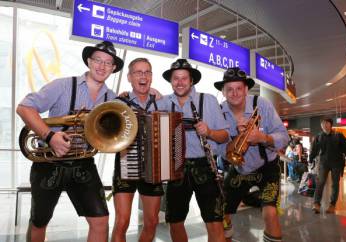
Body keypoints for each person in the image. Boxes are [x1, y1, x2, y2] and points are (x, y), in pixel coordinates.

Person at [16, 40, 124, 242]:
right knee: (40, 221)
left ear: (114, 68)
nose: (102, 66)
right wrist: (50, 136)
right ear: (89, 62)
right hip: (48, 162)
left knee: (101, 220)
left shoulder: (112, 99)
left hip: (83, 163)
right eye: (98, 60)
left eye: (108, 63)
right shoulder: (63, 85)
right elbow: (24, 107)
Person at [214, 67, 289, 242]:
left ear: (246, 89)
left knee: (270, 213)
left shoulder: (262, 104)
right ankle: (228, 233)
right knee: (220, 212)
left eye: (239, 88)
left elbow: (283, 137)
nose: (234, 93)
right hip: (240, 169)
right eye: (229, 89)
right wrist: (239, 138)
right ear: (223, 92)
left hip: (267, 167)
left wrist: (262, 137)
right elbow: (218, 149)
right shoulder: (219, 111)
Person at [158, 58, 229, 242]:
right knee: (175, 221)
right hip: (176, 168)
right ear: (171, 81)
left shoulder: (209, 100)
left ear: (191, 81)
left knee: (214, 221)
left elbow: (225, 136)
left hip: (205, 165)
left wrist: (210, 131)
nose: (180, 82)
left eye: (184, 78)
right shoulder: (162, 102)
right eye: (176, 78)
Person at [111, 57, 164, 242]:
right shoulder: (119, 103)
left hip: (153, 168)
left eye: (147, 72)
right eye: (138, 72)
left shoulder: (160, 102)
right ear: (129, 77)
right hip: (126, 165)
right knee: (122, 222)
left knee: (152, 221)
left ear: (151, 76)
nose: (143, 76)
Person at [309, 117, 346, 214]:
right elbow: (314, 149)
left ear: (330, 125)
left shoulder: (338, 135)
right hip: (323, 163)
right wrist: (310, 159)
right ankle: (316, 204)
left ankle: (332, 205)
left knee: (335, 184)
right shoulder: (319, 136)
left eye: (326, 123)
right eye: (322, 123)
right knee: (320, 182)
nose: (324, 125)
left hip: (337, 163)